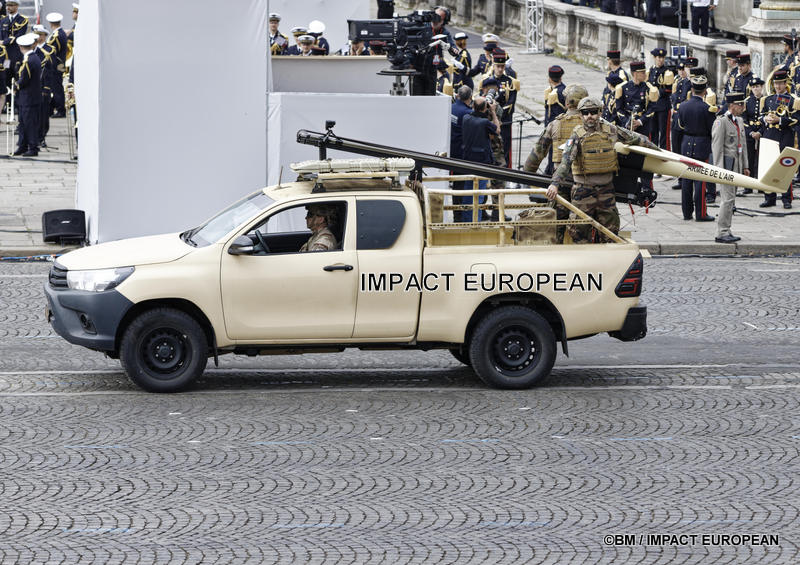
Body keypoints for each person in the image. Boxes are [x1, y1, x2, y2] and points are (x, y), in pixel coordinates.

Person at [547, 97, 658, 243]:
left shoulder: (611, 130)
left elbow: (636, 138)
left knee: (610, 234)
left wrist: (659, 153)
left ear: (600, 112)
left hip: (606, 191)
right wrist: (555, 184)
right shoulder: (576, 136)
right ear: (580, 115)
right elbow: (565, 162)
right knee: (579, 234)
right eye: (585, 113)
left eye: (593, 112)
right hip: (583, 192)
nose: (589, 116)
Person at [525, 84, 589, 242]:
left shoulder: (555, 124)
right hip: (585, 185)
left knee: (555, 229)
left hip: (560, 183)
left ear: (567, 103)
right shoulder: (592, 125)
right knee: (583, 229)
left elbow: (536, 155)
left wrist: (528, 175)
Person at [676, 73, 717, 221]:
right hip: (701, 144)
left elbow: (680, 127)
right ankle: (701, 213)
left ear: (692, 89)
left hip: (686, 143)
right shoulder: (708, 109)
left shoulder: (683, 106)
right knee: (700, 180)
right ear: (705, 91)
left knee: (687, 180)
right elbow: (712, 130)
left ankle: (687, 213)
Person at [711, 92, 749, 243]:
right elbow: (717, 148)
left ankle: (727, 229)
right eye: (740, 105)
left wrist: (745, 166)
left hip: (737, 166)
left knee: (731, 199)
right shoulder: (721, 122)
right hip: (726, 167)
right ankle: (722, 231)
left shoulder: (739, 120)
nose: (743, 107)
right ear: (732, 106)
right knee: (727, 199)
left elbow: (743, 145)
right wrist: (719, 170)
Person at [758, 69, 797, 209]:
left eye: (780, 83)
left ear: (786, 83)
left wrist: (779, 120)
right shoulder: (767, 99)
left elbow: (795, 120)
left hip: (784, 137)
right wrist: (765, 118)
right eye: (776, 83)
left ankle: (786, 199)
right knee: (768, 167)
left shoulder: (793, 100)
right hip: (769, 135)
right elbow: (760, 116)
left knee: (785, 168)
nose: (778, 86)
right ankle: (769, 197)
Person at [460, 96, 500, 222]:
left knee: (468, 192)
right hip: (482, 162)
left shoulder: (466, 118)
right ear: (485, 108)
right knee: (479, 194)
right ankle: (475, 222)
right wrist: (493, 112)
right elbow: (497, 130)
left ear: (473, 106)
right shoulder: (484, 123)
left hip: (468, 160)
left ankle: (466, 220)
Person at [12, 33, 41, 157]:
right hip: (27, 97)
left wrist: (15, 86)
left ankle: (33, 147)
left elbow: (24, 79)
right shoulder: (33, 57)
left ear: (20, 47)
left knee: (29, 123)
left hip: (29, 97)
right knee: (23, 123)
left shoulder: (29, 60)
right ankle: (23, 146)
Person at [449, 85, 473, 222]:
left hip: (452, 150)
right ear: (470, 97)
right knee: (461, 185)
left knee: (457, 184)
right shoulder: (467, 113)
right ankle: (459, 216)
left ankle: (457, 214)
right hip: (463, 154)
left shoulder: (451, 108)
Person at [648, 47, 673, 150]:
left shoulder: (667, 71)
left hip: (663, 106)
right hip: (653, 106)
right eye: (659, 57)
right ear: (654, 57)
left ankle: (664, 152)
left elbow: (669, 89)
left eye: (662, 58)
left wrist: (657, 92)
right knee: (652, 131)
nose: (661, 60)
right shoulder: (651, 70)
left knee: (664, 133)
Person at [1, 0, 28, 89]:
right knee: (6, 79)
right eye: (7, 5)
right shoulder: (3, 20)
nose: (8, 8)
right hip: (6, 57)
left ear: (16, 6)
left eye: (11, 5)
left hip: (17, 55)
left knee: (18, 79)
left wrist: (4, 42)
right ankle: (8, 98)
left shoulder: (22, 20)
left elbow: (19, 36)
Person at [44, 12, 67, 118]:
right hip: (60, 64)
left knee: (56, 88)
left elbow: (51, 51)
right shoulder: (61, 33)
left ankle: (61, 110)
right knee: (56, 87)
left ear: (50, 23)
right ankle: (52, 108)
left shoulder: (56, 35)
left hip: (56, 65)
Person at [743, 77, 764, 187]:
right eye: (753, 87)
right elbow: (744, 119)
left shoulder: (766, 100)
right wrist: (751, 133)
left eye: (757, 86)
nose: (755, 89)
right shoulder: (747, 101)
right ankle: (749, 185)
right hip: (750, 134)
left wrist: (760, 132)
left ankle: (761, 184)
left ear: (762, 87)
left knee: (762, 159)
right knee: (749, 159)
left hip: (762, 133)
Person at [33, 25, 52, 148]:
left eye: (40, 35)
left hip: (43, 88)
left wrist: (47, 88)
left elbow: (50, 71)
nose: (38, 37)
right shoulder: (29, 51)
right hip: (32, 89)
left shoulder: (49, 51)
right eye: (36, 35)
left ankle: (41, 137)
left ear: (45, 36)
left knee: (43, 116)